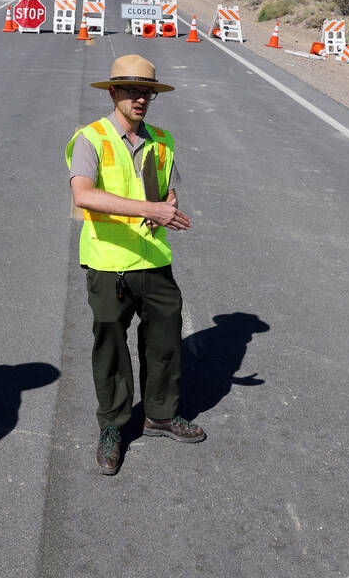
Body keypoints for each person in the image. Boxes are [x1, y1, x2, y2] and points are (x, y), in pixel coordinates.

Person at [66, 54, 205, 476]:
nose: (140, 98)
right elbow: (84, 195)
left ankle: (159, 415)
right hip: (110, 265)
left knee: (165, 345)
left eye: (146, 92)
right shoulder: (91, 138)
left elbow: (167, 195)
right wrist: (149, 208)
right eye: (131, 91)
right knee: (111, 350)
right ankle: (112, 426)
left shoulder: (163, 141)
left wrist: (167, 209)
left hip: (155, 262)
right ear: (113, 93)